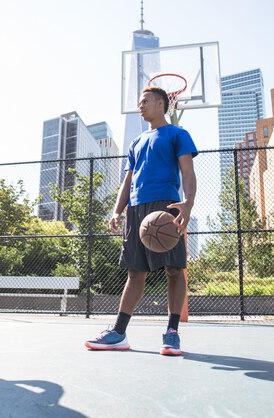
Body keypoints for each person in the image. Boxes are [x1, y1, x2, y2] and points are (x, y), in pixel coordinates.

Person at [85, 86, 197, 356]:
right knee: (135, 272)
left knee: (174, 268)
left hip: (165, 206)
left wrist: (188, 203)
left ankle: (172, 333)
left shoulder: (178, 135)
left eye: (145, 101)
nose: (141, 105)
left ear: (161, 104)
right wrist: (117, 210)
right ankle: (118, 332)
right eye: (140, 102)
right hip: (136, 209)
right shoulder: (136, 142)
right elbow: (128, 180)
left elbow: (188, 172)